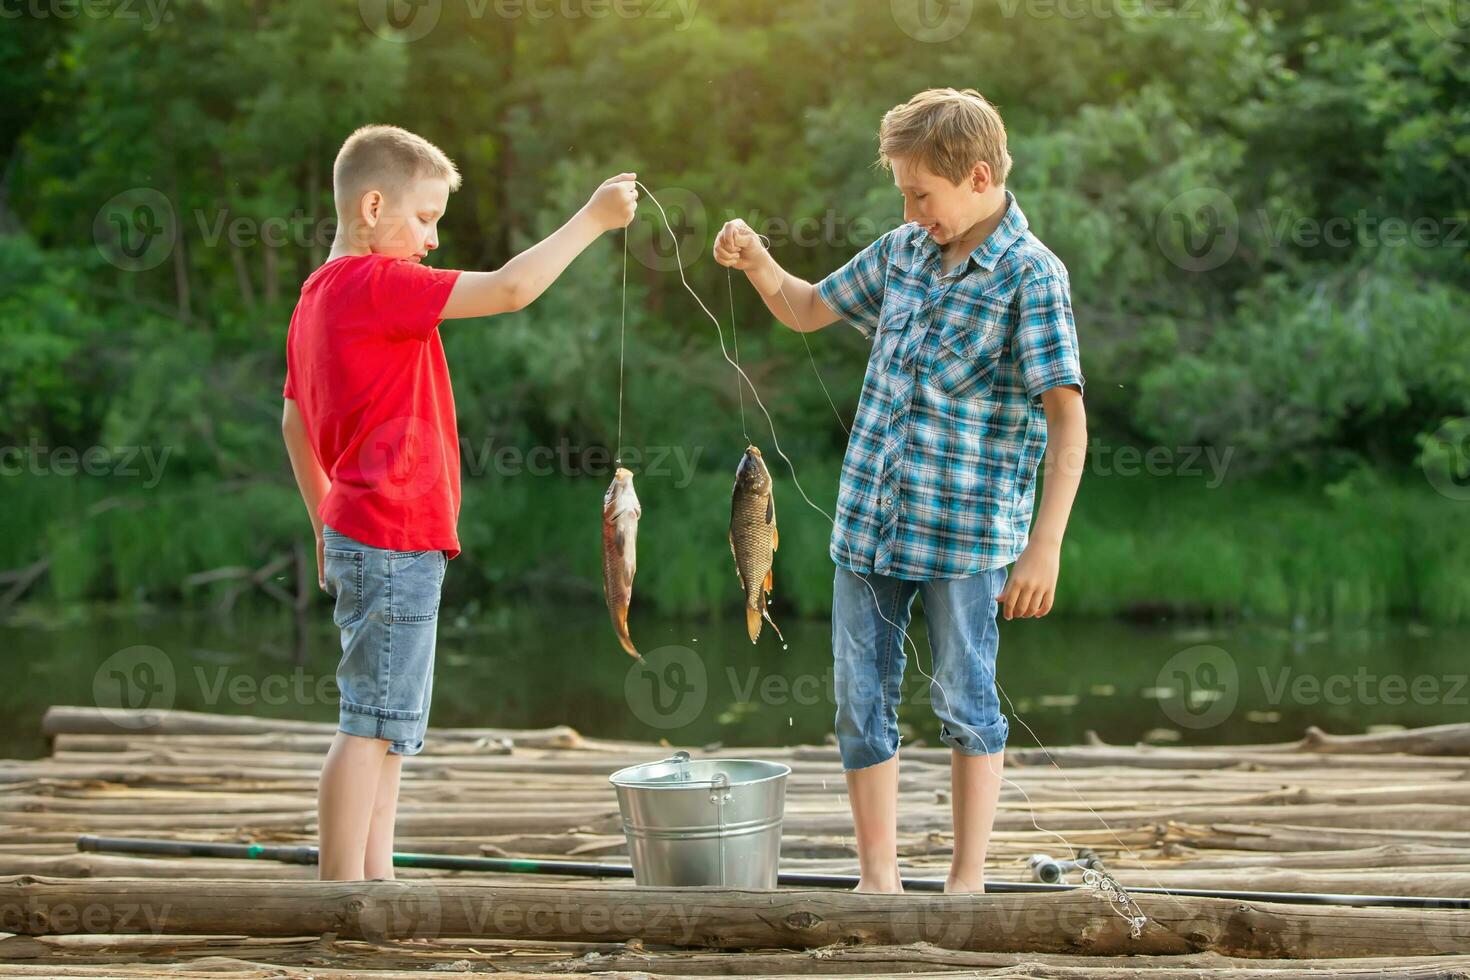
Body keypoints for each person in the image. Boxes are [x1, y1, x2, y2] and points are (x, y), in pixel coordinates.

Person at [712, 88, 1087, 894]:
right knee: (859, 704)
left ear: (978, 176)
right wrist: (757, 261)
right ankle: (877, 878)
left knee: (966, 702)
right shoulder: (903, 252)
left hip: (970, 541)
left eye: (922, 194)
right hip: (868, 530)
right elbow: (807, 308)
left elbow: (1068, 422)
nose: (913, 210)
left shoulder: (1031, 276)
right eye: (905, 196)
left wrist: (1045, 544)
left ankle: (965, 880)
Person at [281, 123, 637, 880]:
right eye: (426, 218)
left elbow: (291, 419)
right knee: (368, 723)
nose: (434, 239)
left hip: (368, 532)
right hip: (390, 532)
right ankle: (342, 893)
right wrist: (595, 219)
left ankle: (373, 879)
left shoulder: (315, 294)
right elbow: (511, 289)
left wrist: (322, 520)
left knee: (391, 723)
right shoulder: (374, 285)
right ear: (373, 205)